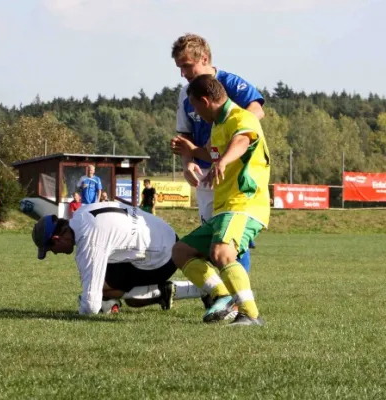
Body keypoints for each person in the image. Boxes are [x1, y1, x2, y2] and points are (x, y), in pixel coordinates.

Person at [172, 75, 270, 326]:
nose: (194, 112)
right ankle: (222, 295)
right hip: (226, 207)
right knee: (181, 251)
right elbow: (211, 152)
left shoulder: (241, 118)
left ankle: (250, 314)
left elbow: (242, 140)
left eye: (194, 106)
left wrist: (223, 162)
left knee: (222, 251)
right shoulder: (218, 125)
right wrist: (192, 151)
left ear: (205, 101)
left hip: (244, 204)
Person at [170, 33, 264, 271]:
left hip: (232, 172)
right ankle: (219, 292)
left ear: (203, 58)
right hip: (205, 173)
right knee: (212, 235)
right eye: (180, 68)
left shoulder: (228, 83)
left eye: (187, 66)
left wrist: (229, 134)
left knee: (230, 239)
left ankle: (235, 296)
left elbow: (256, 110)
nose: (184, 73)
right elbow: (185, 134)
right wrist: (187, 162)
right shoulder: (185, 94)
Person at [32, 202, 221, 316]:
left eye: (51, 249)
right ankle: (188, 289)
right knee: (113, 290)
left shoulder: (89, 241)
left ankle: (187, 289)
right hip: (165, 235)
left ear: (57, 238)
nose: (54, 253)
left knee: (112, 292)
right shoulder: (82, 213)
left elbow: (90, 305)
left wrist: (89, 301)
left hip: (160, 258)